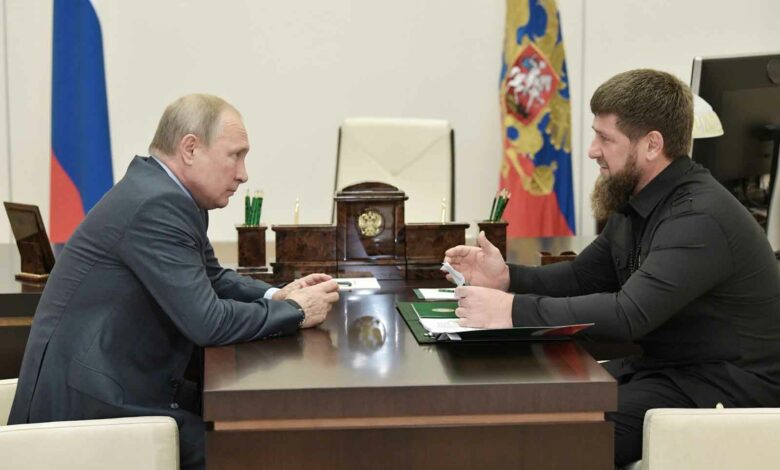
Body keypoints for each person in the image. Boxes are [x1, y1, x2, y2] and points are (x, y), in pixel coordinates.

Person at [444, 69, 780, 466]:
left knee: (549, 436)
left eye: (605, 138)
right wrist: (507, 278)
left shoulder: (699, 217)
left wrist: (511, 310)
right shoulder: (639, 198)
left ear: (652, 144)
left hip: (724, 389)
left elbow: (627, 315)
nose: (592, 150)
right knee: (523, 404)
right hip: (668, 370)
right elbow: (583, 276)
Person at [8, 94, 340, 470]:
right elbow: (207, 322)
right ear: (190, 148)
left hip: (116, 387)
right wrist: (294, 311)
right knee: (245, 451)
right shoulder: (157, 204)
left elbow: (211, 277)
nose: (243, 173)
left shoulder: (171, 196)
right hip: (90, 412)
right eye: (235, 155)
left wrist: (276, 293)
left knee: (239, 434)